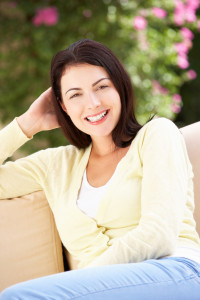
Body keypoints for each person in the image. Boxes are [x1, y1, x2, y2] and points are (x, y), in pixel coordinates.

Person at [0, 39, 200, 300]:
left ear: (120, 87)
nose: (93, 103)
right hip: (100, 292)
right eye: (75, 95)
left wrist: (75, 285)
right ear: (63, 106)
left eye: (102, 86)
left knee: (19, 297)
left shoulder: (157, 135)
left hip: (175, 273)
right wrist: (27, 124)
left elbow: (158, 235)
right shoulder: (55, 165)